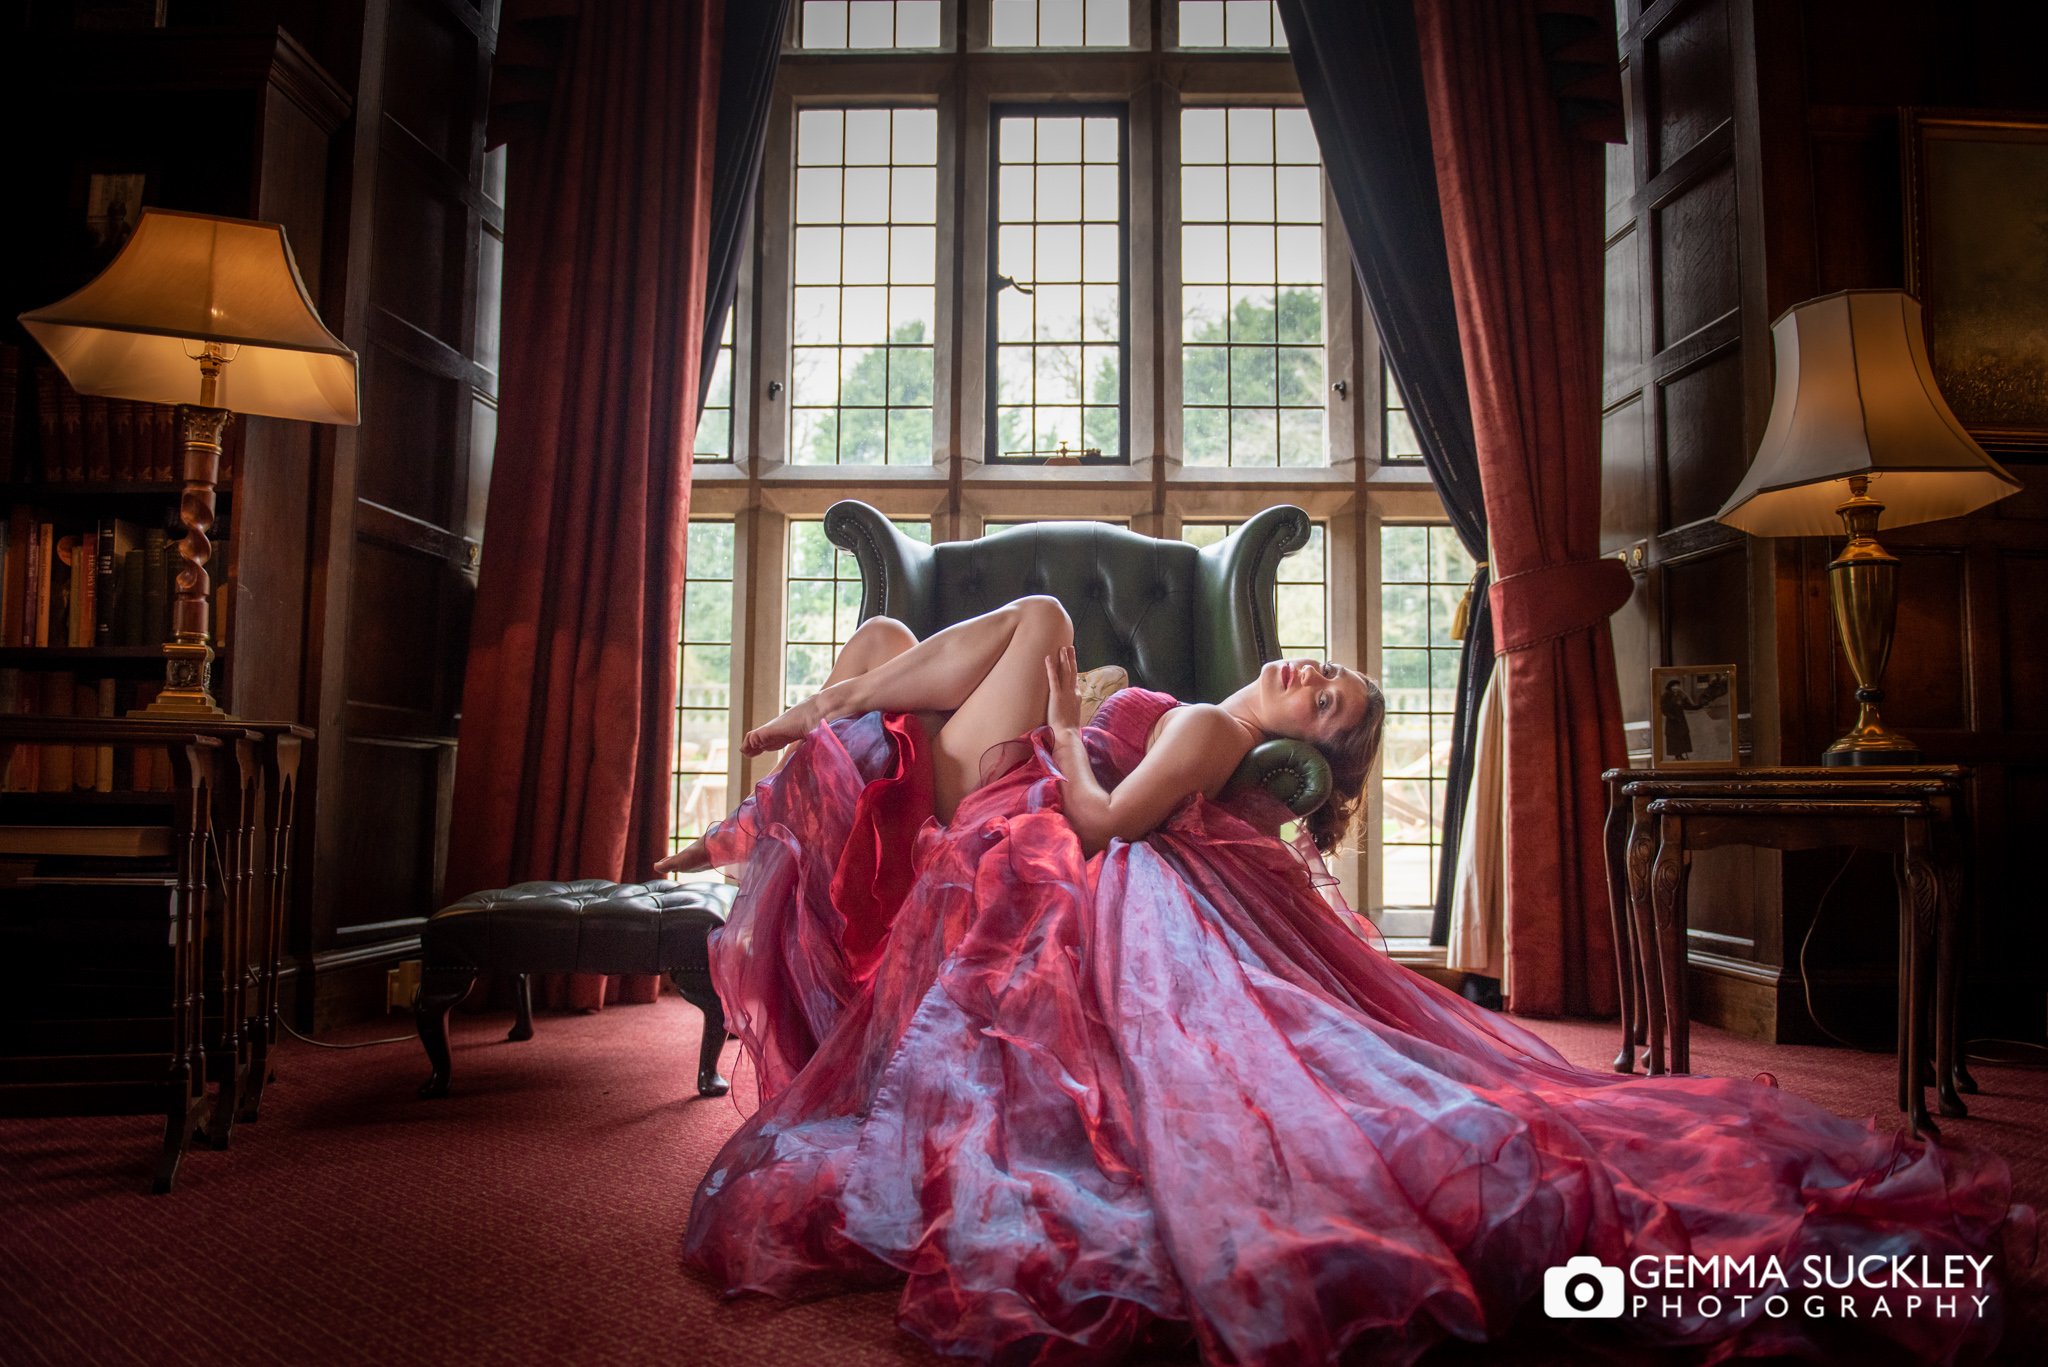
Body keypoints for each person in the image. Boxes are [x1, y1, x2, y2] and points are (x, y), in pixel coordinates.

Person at [664, 599, 2027, 1365]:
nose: (1306, 670)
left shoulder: (1205, 731)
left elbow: (1093, 819)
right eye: (1321, 669)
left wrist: (1077, 732)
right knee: (894, 633)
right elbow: (1131, 778)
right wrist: (1094, 712)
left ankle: (796, 752)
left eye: (1324, 695)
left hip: (1022, 816)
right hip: (1023, 794)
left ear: (1308, 746)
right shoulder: (1203, 730)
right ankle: (813, 735)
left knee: (1029, 615)